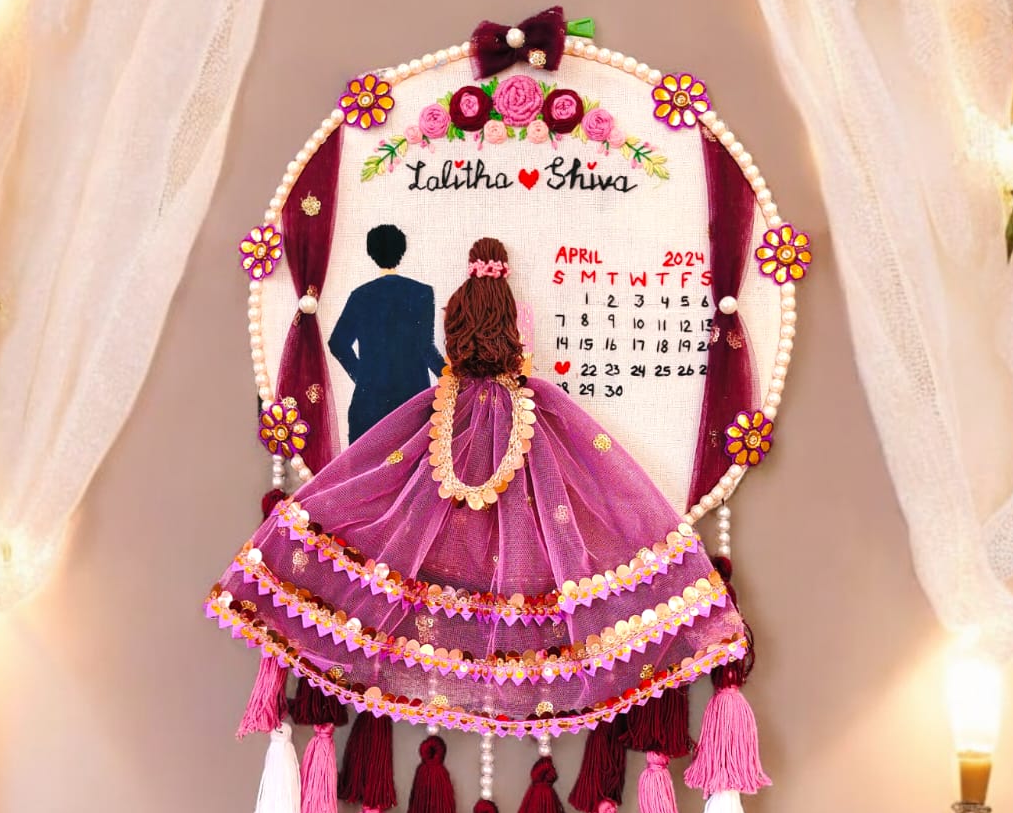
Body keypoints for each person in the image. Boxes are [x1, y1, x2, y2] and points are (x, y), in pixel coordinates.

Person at [211, 238, 746, 736]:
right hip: (518, 455)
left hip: (442, 484)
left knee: (387, 491)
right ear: (513, 324)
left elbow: (377, 463)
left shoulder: (438, 401)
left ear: (457, 323)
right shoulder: (536, 401)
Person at [327, 224, 443, 442]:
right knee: (412, 460)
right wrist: (447, 376)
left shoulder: (360, 295)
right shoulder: (422, 292)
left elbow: (338, 343)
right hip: (412, 397)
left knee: (367, 460)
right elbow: (425, 346)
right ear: (402, 250)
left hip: (369, 401)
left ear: (371, 252)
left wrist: (362, 376)